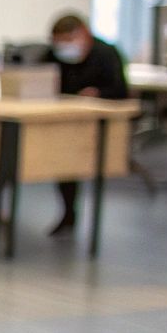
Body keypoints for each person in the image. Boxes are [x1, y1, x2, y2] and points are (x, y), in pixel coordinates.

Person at [42, 12, 129, 236]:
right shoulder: (53, 56)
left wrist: (98, 93)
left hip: (94, 125)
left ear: (84, 34)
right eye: (59, 42)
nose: (64, 47)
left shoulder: (106, 54)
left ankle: (71, 213)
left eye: (68, 40)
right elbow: (38, 78)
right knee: (62, 163)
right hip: (60, 122)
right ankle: (68, 212)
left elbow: (121, 91)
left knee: (73, 162)